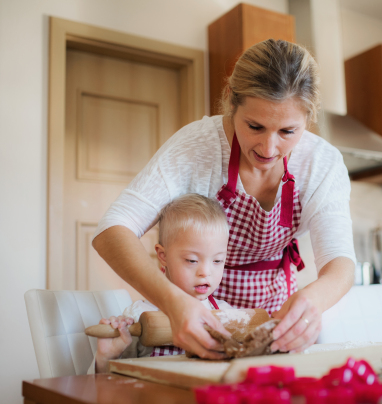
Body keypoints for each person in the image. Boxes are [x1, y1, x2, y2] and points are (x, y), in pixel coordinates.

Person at [92, 39, 356, 359]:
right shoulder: (196, 147)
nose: (269, 149)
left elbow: (340, 263)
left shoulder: (321, 163)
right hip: (194, 305)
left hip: (274, 309)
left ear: (308, 118)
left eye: (287, 131)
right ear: (232, 101)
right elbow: (111, 230)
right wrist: (174, 303)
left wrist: (314, 300)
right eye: (255, 126)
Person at [91, 194, 233, 373]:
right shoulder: (139, 316)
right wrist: (106, 357)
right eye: (191, 260)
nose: (206, 272)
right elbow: (108, 385)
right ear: (163, 256)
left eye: (218, 261)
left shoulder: (227, 315)